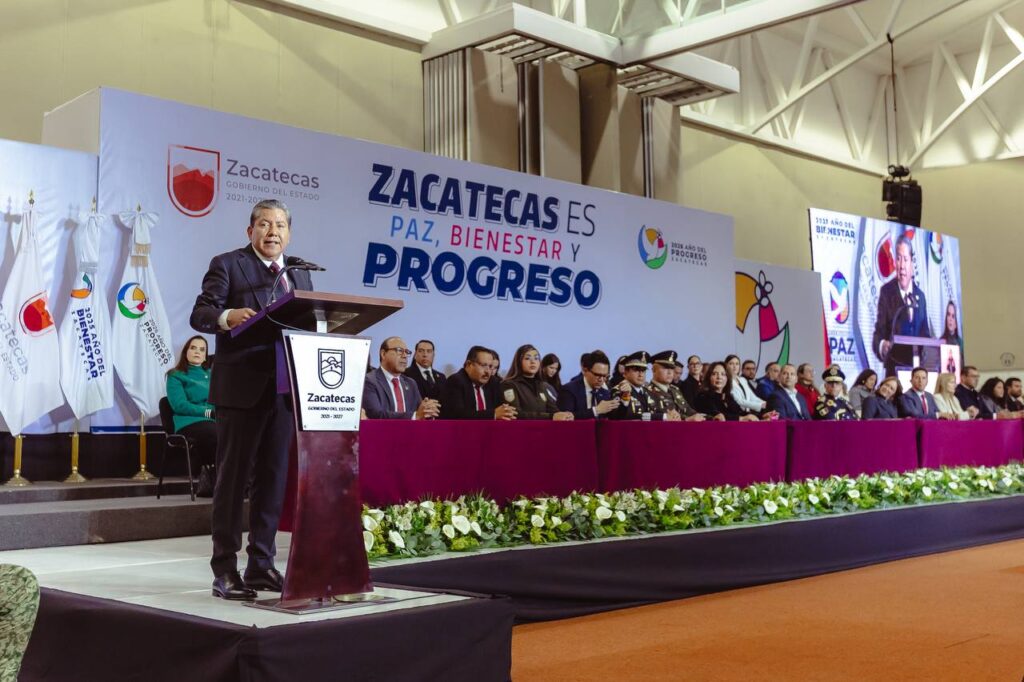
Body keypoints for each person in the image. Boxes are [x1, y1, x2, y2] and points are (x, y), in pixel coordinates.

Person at [190, 199, 314, 600]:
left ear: (289, 233)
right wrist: (227, 317)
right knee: (233, 481)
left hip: (284, 390)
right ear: (251, 231)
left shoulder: (298, 274)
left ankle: (261, 564)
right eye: (264, 224)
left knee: (273, 480)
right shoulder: (228, 264)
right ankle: (224, 569)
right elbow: (201, 313)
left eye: (280, 225)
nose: (272, 231)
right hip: (241, 390)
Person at [165, 335, 217, 496]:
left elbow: (218, 399)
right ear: (186, 351)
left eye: (202, 350)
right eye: (193, 348)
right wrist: (207, 412)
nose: (197, 352)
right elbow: (180, 405)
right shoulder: (175, 375)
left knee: (236, 433)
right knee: (215, 432)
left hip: (213, 419)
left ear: (205, 355)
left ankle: (237, 482)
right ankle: (215, 478)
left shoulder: (212, 374)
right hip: (188, 422)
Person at [873, 234, 932, 375]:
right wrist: (882, 345)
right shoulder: (887, 292)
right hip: (894, 371)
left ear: (912, 263)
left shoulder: (920, 297)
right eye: (898, 259)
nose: (902, 266)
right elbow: (879, 332)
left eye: (905, 259)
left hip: (917, 371)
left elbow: (925, 334)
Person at [364, 337, 440, 419]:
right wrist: (415, 416)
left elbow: (420, 412)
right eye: (399, 350)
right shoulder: (369, 381)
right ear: (383, 354)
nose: (405, 356)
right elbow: (375, 415)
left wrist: (428, 411)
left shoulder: (411, 383)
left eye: (406, 352)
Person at [438, 346, 516, 420]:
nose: (488, 371)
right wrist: (493, 414)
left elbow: (501, 408)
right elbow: (457, 415)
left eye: (490, 366)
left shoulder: (493, 382)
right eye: (483, 365)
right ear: (469, 364)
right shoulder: (456, 381)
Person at [500, 344, 573, 420]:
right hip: (522, 427)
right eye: (527, 358)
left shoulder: (542, 385)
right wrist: (551, 416)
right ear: (518, 362)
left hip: (543, 427)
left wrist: (565, 415)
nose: (533, 362)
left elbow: (553, 410)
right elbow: (515, 414)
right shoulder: (509, 385)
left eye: (536, 358)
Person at [557, 350, 620, 420]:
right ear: (585, 371)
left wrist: (625, 399)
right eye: (597, 375)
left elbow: (615, 418)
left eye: (605, 376)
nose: (601, 380)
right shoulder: (569, 390)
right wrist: (596, 410)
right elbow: (566, 418)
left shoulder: (605, 393)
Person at [645, 351, 705, 421]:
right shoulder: (646, 391)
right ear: (654, 370)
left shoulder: (675, 390)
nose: (670, 372)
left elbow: (690, 411)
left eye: (672, 368)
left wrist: (710, 417)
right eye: (665, 368)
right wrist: (686, 420)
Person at [609, 351, 657, 420]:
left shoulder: (649, 392)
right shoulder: (618, 391)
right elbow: (617, 417)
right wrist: (625, 396)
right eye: (636, 370)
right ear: (625, 373)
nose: (641, 374)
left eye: (643, 370)